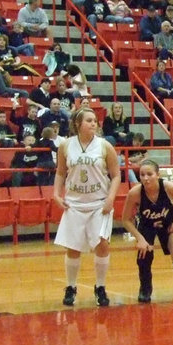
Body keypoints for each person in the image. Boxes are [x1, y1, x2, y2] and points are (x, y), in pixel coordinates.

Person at [53, 108, 121, 307]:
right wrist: (56, 194)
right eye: (89, 120)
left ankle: (100, 287)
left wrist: (111, 198)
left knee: (102, 245)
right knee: (73, 248)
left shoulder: (105, 146)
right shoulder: (66, 146)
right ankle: (71, 287)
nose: (94, 124)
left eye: (95, 121)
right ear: (78, 124)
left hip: (99, 203)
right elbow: (60, 172)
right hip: (74, 203)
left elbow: (116, 175)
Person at [121, 159, 173, 302]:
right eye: (142, 175)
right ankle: (145, 288)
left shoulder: (168, 187)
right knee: (144, 257)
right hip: (147, 227)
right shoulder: (135, 193)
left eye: (149, 174)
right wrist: (140, 238)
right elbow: (125, 219)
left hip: (168, 225)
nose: (145, 178)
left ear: (157, 175)